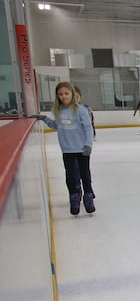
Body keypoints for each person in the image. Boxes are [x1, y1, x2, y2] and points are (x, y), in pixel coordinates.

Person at [30, 81, 96, 215]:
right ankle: (74, 197)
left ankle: (88, 196)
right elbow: (57, 125)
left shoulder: (80, 110)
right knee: (71, 175)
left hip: (82, 149)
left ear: (72, 94)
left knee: (85, 173)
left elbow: (88, 128)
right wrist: (44, 119)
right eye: (60, 94)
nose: (64, 96)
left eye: (66, 93)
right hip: (67, 150)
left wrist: (88, 144)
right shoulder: (58, 110)